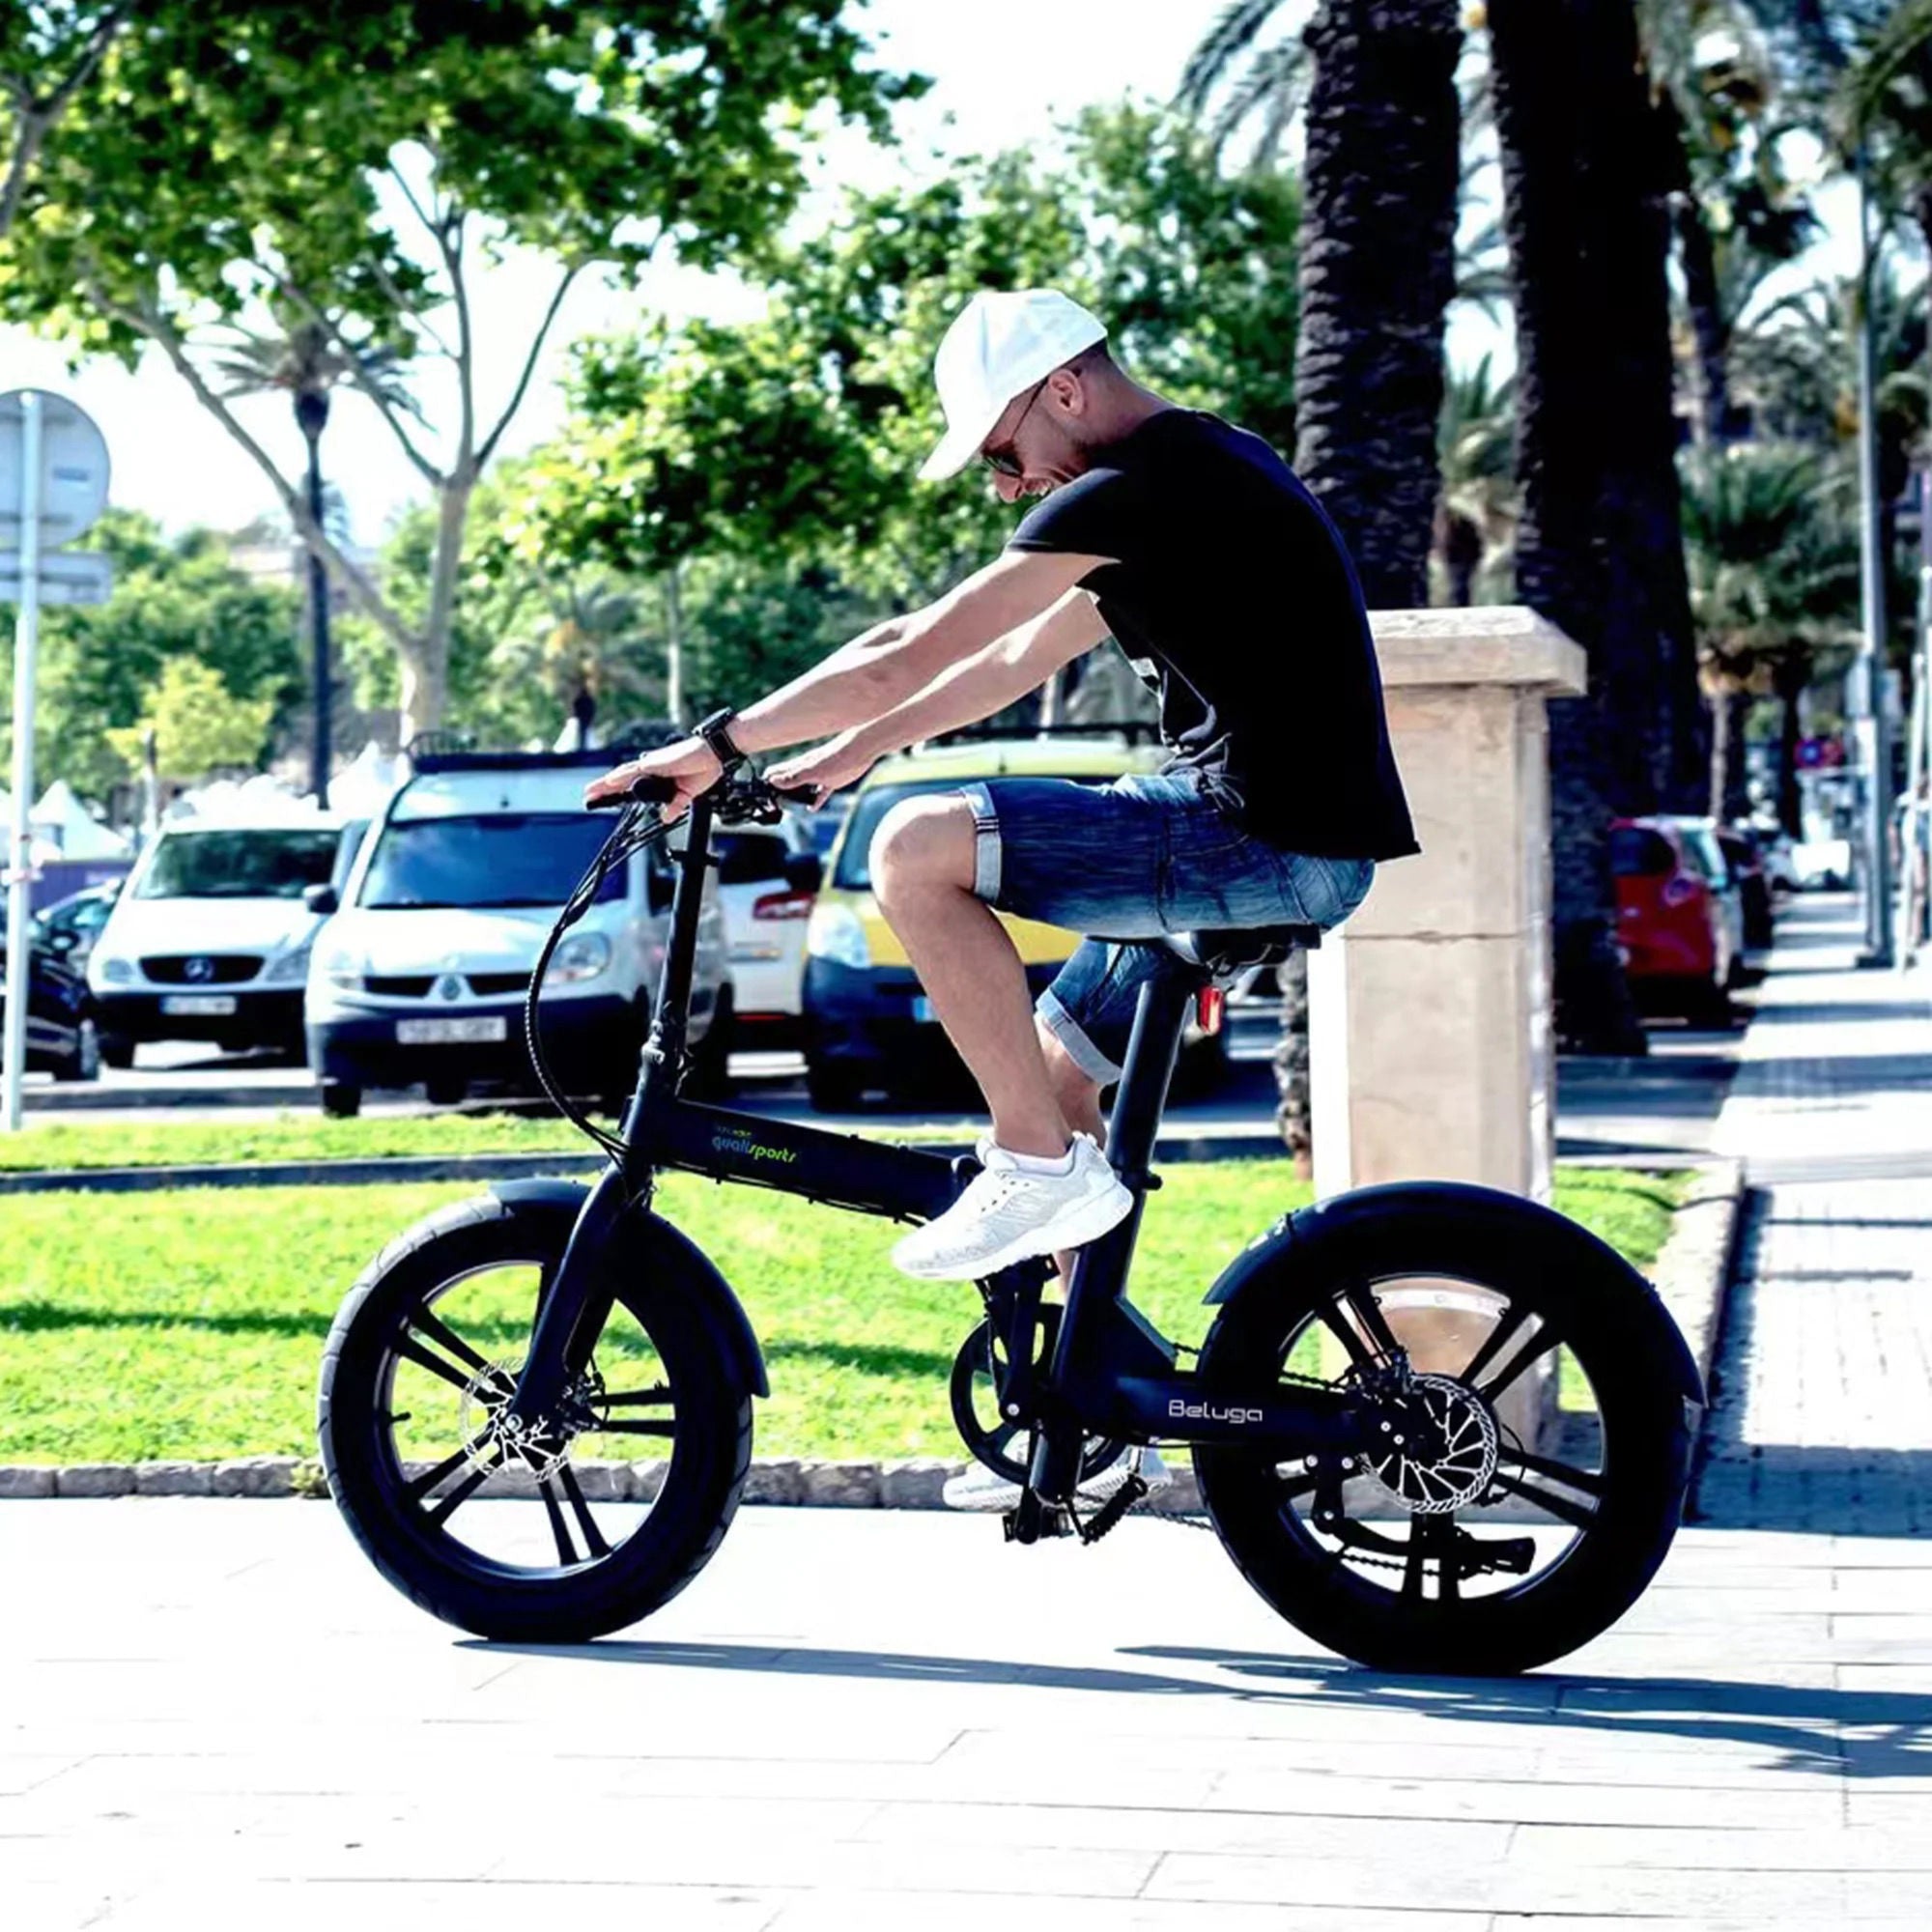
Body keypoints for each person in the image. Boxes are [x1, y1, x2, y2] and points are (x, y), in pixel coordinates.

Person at [587, 288, 1418, 1508]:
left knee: (915, 850)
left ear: (1064, 392)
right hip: (1279, 842)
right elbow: (993, 663)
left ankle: (1031, 1164)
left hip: (1259, 842)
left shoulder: (1140, 486)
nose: (999, 481)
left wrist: (713, 744)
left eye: (997, 448)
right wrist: (856, 744)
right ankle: (1096, 1407)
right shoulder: (1186, 478)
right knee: (1047, 1063)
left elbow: (910, 644)